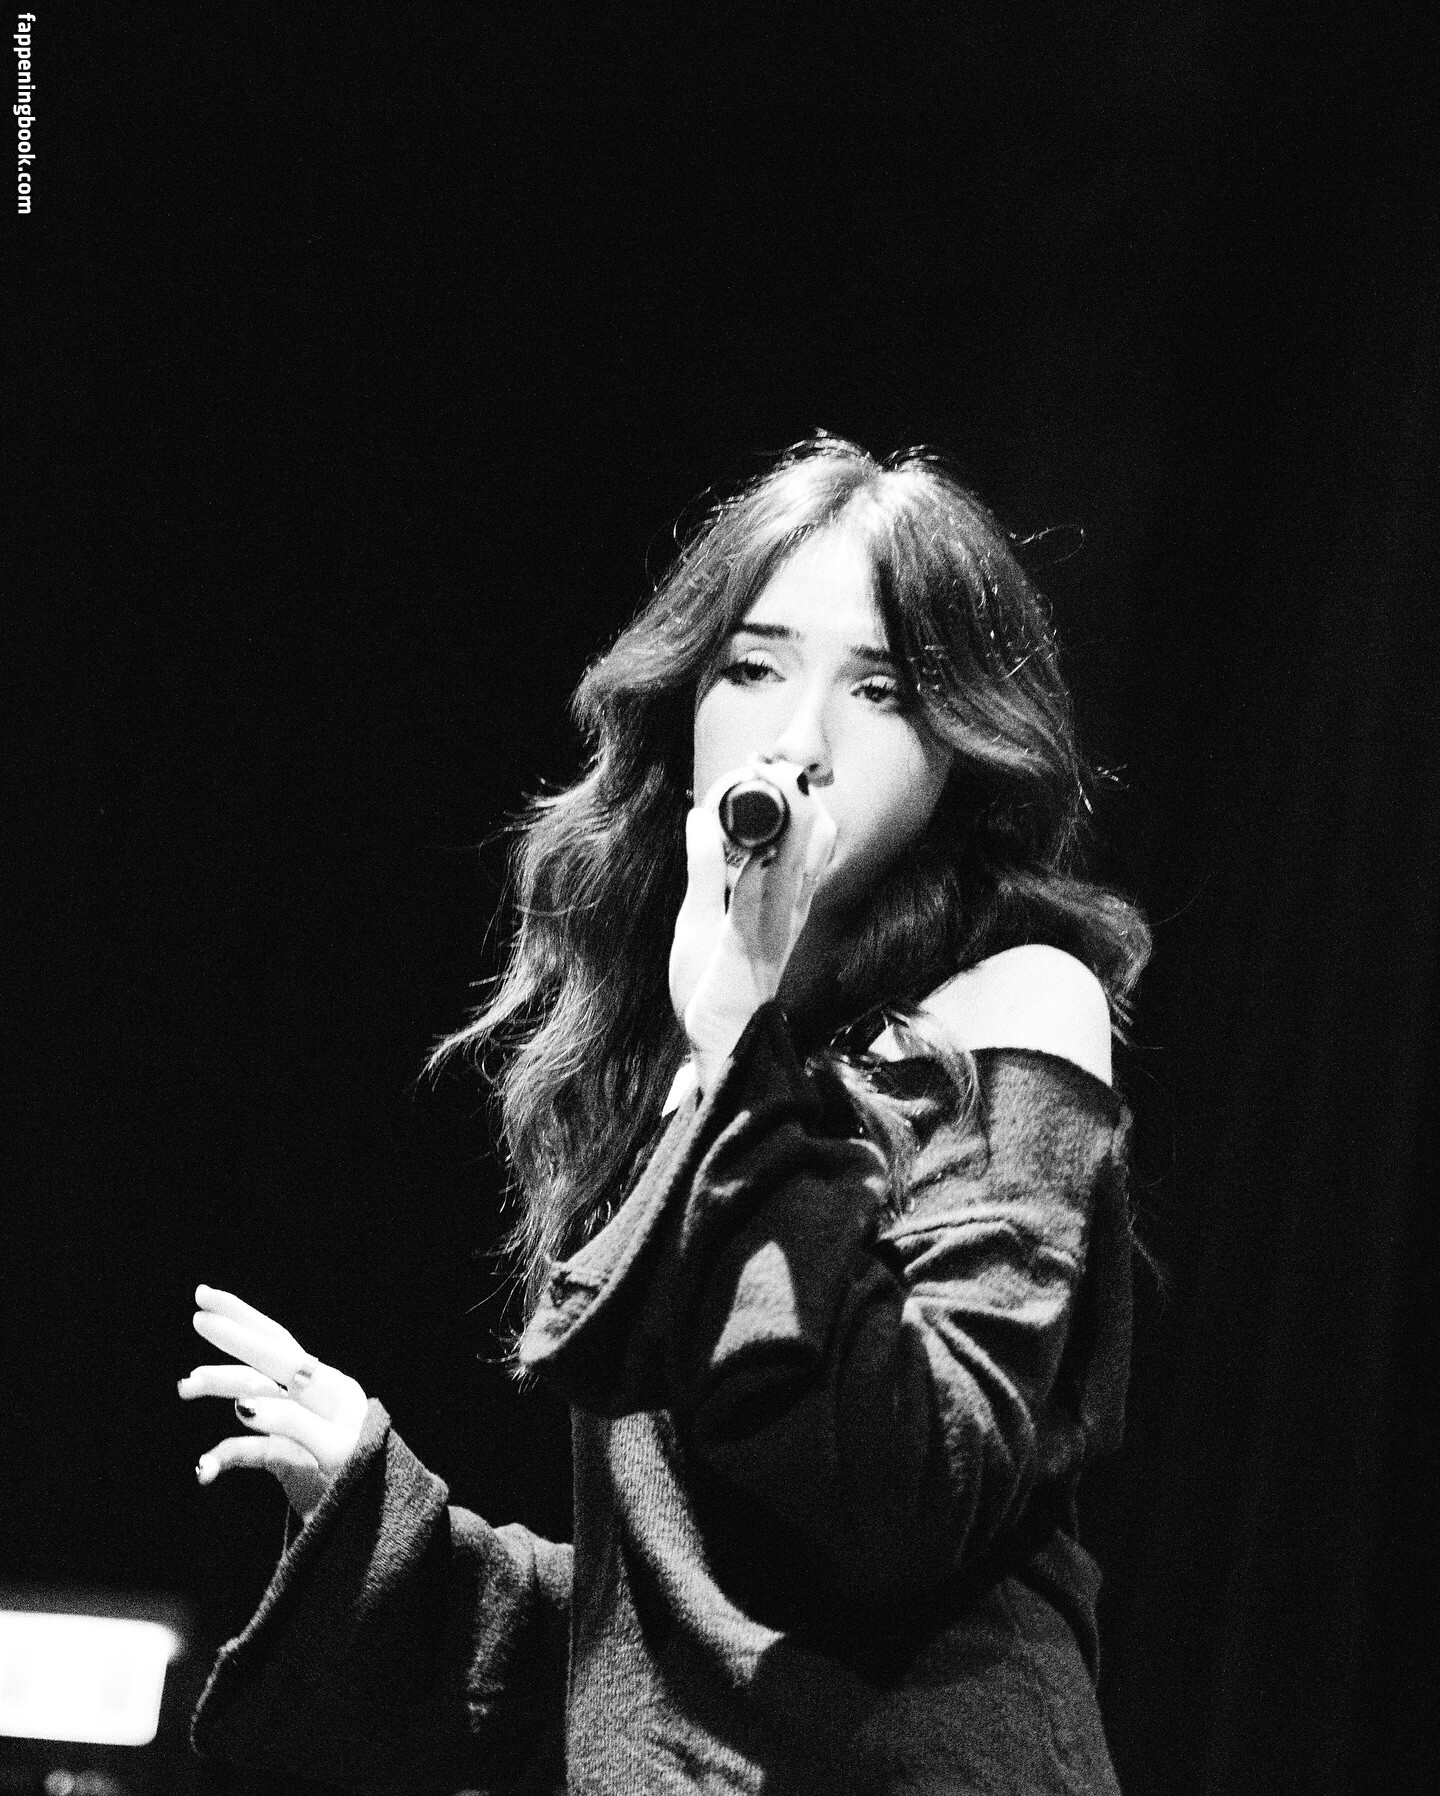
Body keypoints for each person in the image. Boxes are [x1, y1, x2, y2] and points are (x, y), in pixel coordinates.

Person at [179, 435, 1150, 1794]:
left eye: (879, 690)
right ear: (687, 705)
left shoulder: (1016, 1008)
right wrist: (378, 1507)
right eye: (754, 669)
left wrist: (740, 1041)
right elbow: (671, 1645)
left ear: (958, 753)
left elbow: (899, 1501)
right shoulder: (691, 1056)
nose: (798, 741)